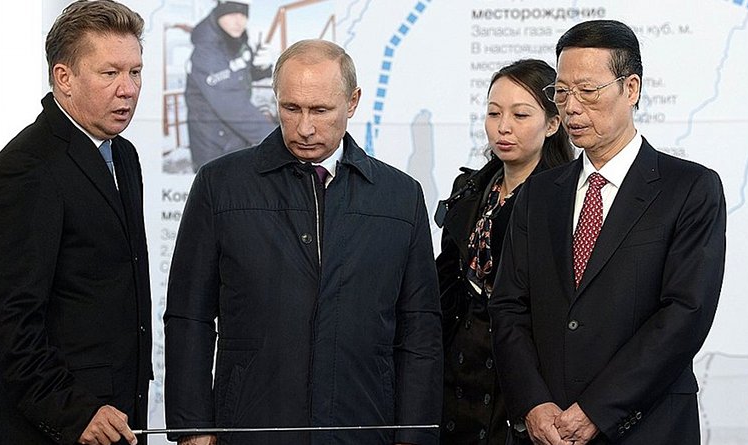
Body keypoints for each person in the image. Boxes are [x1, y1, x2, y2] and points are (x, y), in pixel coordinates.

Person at [164, 39, 442, 445]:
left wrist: (414, 436)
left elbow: (420, 328)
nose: (305, 127)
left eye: (320, 110)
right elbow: (189, 316)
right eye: (290, 109)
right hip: (251, 429)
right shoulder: (220, 185)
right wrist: (192, 430)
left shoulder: (399, 196)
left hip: (362, 428)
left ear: (353, 101)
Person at [489, 20, 726, 445]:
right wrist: (533, 403)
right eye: (561, 92)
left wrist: (597, 409)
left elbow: (684, 315)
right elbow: (508, 307)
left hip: (647, 426)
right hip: (546, 430)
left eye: (587, 91)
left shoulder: (689, 189)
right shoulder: (540, 193)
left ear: (630, 88)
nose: (572, 108)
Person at [0, 1, 152, 444]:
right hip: (62, 427)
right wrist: (72, 413)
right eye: (110, 73)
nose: (128, 89)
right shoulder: (26, 167)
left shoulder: (122, 154)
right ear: (64, 78)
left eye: (135, 72)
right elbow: (10, 321)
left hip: (119, 418)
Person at [435, 59, 573, 445]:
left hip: (523, 367)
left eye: (520, 114)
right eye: (494, 113)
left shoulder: (565, 200)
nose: (504, 127)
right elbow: (445, 277)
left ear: (552, 123)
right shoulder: (471, 188)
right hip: (459, 361)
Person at [185, 0, 275, 172]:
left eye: (243, 14)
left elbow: (240, 74)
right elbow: (232, 105)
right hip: (214, 144)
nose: (239, 20)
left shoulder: (236, 39)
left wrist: (262, 69)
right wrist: (277, 139)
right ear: (219, 12)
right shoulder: (207, 51)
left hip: (234, 139)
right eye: (232, 13)